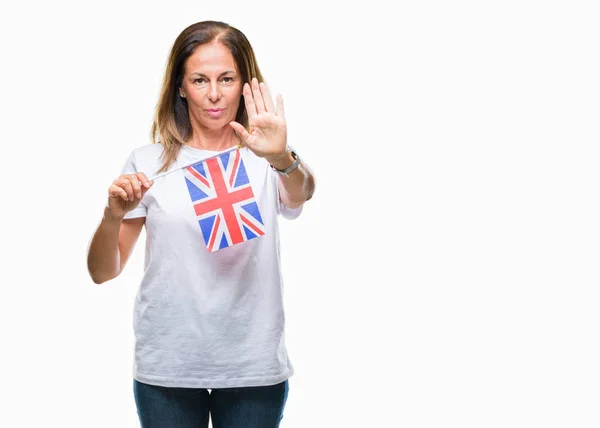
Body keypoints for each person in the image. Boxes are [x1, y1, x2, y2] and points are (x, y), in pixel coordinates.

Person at [86, 20, 315, 428]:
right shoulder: (147, 162)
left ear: (245, 83)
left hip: (251, 363)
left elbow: (302, 192)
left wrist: (282, 158)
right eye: (199, 79)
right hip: (169, 364)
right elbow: (103, 272)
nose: (213, 94)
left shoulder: (267, 155)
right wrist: (112, 216)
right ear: (180, 85)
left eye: (226, 79)